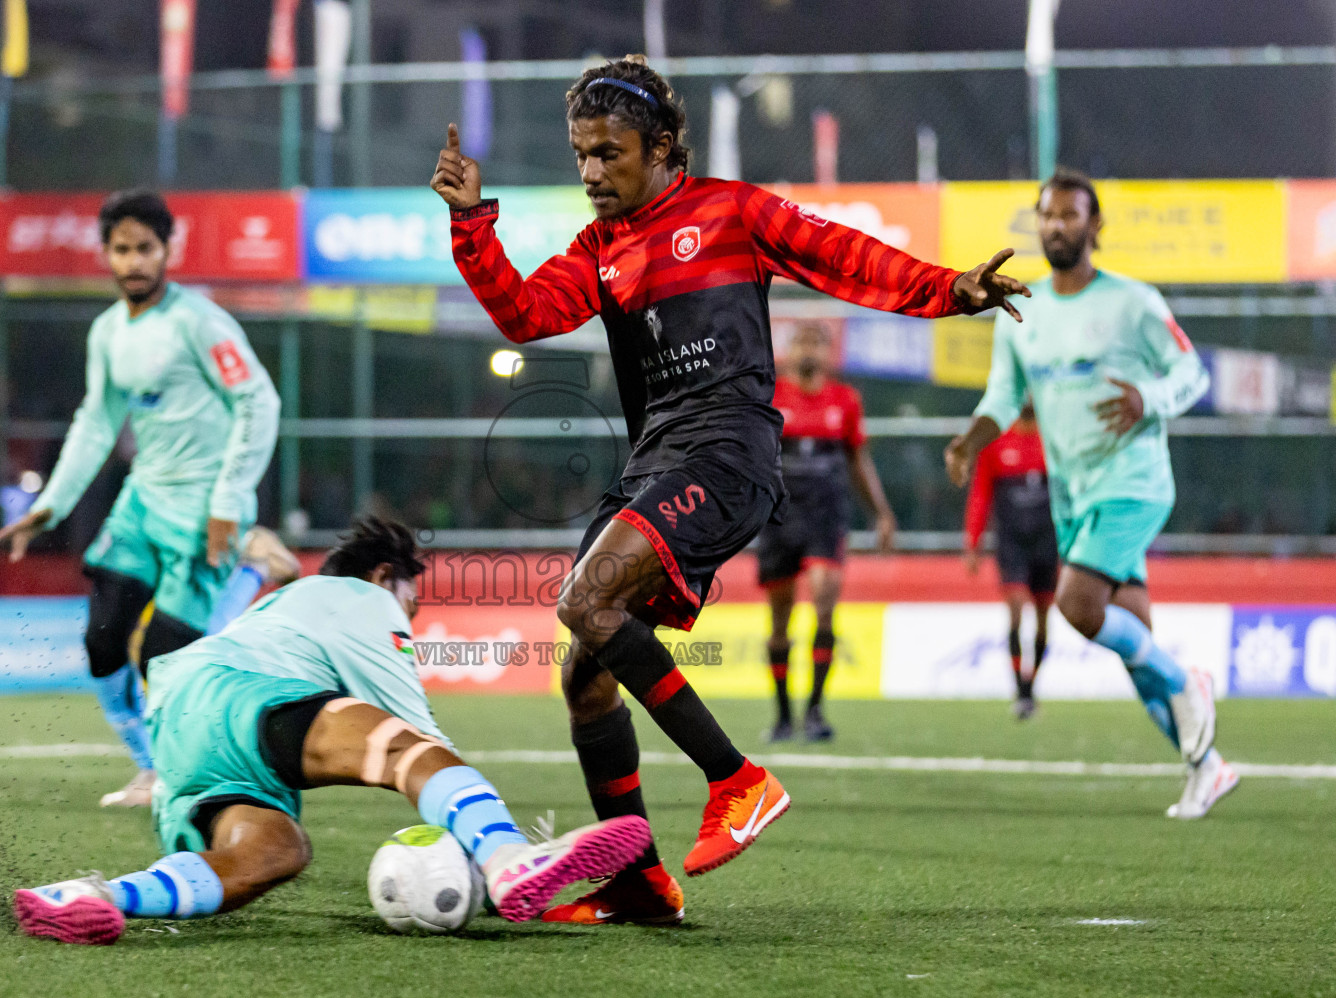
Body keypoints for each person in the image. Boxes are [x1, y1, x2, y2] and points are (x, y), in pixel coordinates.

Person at [432, 55, 1028, 923]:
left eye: (610, 152)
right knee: (584, 676)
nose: (593, 173)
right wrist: (471, 224)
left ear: (663, 146)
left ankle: (737, 781)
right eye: (581, 155)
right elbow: (525, 315)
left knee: (585, 602)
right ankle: (640, 885)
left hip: (729, 450)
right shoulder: (597, 250)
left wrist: (950, 290)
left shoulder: (731, 212)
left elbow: (844, 257)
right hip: (654, 461)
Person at [13, 516, 652, 945]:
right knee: (410, 751)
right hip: (239, 694)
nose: (410, 618)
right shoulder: (364, 598)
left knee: (274, 850)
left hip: (183, 730)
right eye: (411, 600)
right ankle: (511, 859)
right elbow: (417, 738)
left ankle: (96, 896)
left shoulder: (284, 606)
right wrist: (483, 845)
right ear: (383, 577)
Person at [945, 169, 1235, 820]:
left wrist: (1148, 399)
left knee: (1078, 605)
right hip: (1072, 495)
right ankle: (1207, 768)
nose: (1057, 225)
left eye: (1071, 215)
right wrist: (972, 439)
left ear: (1095, 226)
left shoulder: (1134, 302)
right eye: (1047, 215)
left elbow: (1191, 372)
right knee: (1138, 648)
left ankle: (1191, 682)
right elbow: (1002, 396)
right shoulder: (1022, 310)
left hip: (1133, 483)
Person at [0, 190, 282, 810]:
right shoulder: (106, 334)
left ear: (168, 250)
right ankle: (150, 771)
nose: (134, 262)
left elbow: (259, 402)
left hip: (205, 510)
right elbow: (96, 423)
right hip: (144, 503)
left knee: (165, 656)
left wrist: (229, 501)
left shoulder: (200, 322)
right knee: (101, 640)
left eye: (145, 248)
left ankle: (256, 567)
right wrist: (51, 507)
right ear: (105, 255)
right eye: (121, 249)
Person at [759, 322, 895, 743]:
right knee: (779, 622)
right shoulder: (770, 396)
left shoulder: (845, 400)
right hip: (779, 518)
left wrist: (882, 513)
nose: (808, 351)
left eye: (816, 344)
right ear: (788, 349)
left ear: (828, 352)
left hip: (825, 519)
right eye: (801, 342)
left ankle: (815, 710)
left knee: (822, 603)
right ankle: (783, 715)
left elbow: (860, 461)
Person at [962, 403, 1058, 720]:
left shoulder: (1055, 440)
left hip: (1049, 542)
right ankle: (1020, 691)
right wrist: (972, 541)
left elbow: (1072, 491)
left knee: (1044, 617)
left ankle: (1032, 685)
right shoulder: (997, 442)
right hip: (1012, 543)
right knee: (1016, 610)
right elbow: (980, 493)